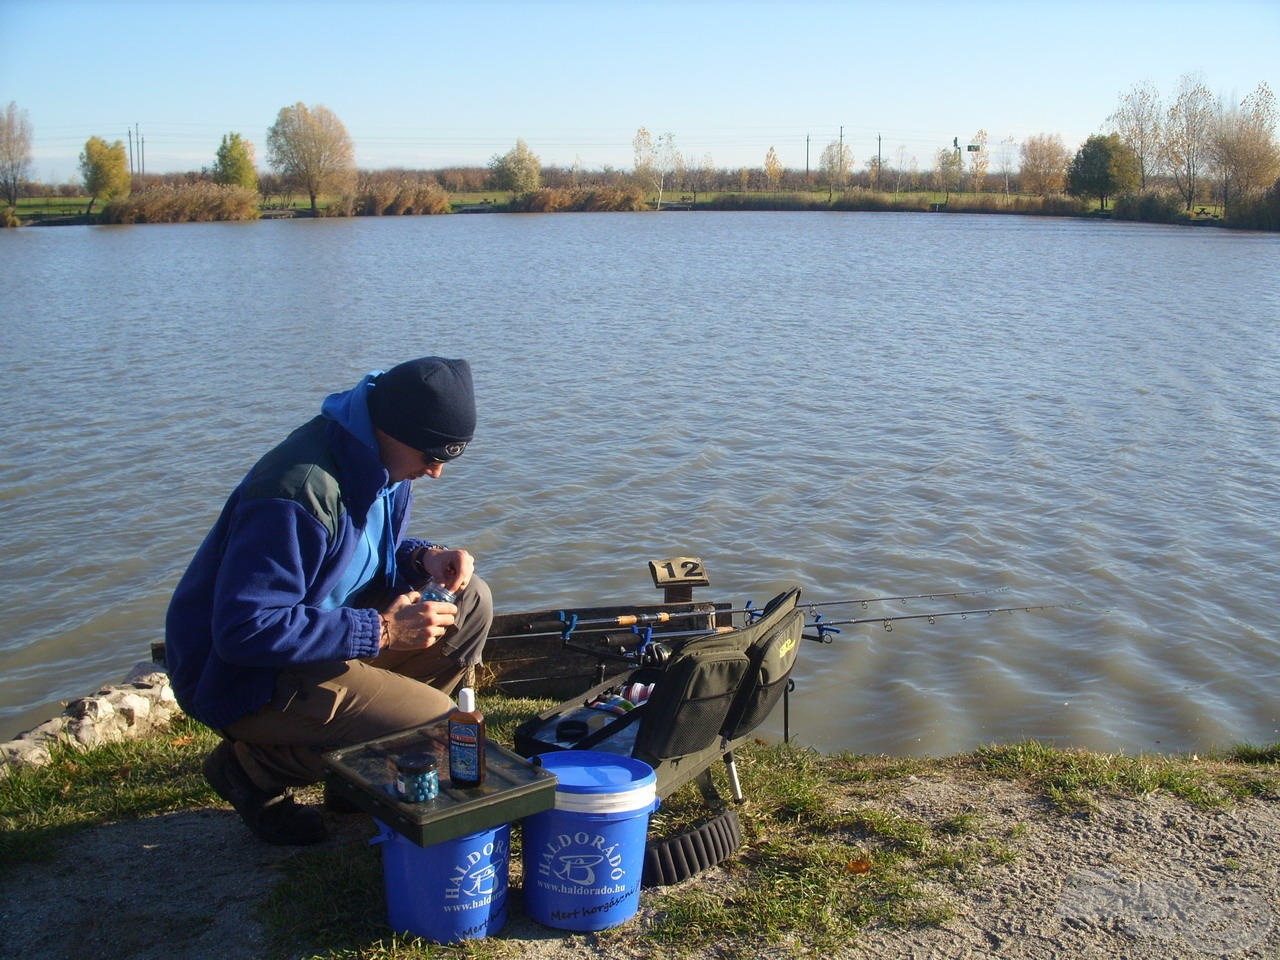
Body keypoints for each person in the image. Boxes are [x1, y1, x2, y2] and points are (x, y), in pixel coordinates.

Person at [165, 357, 492, 845]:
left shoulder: (380, 464)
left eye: (448, 457)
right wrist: (382, 631)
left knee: (472, 602)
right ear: (392, 429)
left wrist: (422, 557)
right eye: (431, 454)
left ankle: (353, 775)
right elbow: (244, 630)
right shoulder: (297, 491)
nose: (436, 471)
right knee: (439, 726)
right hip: (240, 676)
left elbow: (349, 553)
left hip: (316, 639)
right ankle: (251, 769)